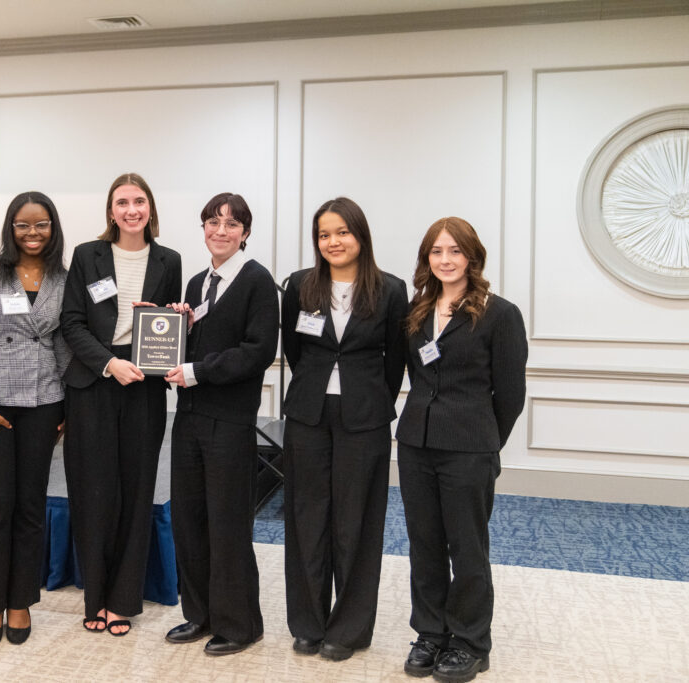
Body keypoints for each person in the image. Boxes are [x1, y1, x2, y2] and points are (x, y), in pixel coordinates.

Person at [395, 217, 527, 682]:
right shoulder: (417, 309)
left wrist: (486, 445)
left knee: (467, 547)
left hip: (468, 450)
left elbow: (510, 396)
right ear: (426, 259)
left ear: (472, 257)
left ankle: (470, 641)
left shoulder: (500, 314)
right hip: (415, 444)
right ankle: (431, 633)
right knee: (424, 545)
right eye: (436, 251)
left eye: (454, 251)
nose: (445, 260)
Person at [280, 197, 408, 661]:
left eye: (342, 232)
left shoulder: (390, 290)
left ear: (360, 236)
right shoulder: (298, 286)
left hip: (364, 417)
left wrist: (368, 397)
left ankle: (348, 629)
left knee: (356, 523)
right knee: (306, 519)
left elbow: (396, 361)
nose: (333, 242)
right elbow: (294, 349)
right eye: (323, 234)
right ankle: (308, 624)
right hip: (308, 415)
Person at [60, 172, 181, 637]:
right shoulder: (86, 256)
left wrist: (177, 320)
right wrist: (110, 364)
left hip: (145, 388)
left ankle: (122, 600)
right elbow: (72, 323)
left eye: (139, 201)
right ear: (110, 211)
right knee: (93, 495)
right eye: (122, 202)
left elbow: (168, 329)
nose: (132, 210)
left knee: (136, 492)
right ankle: (94, 597)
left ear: (151, 208)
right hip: (93, 385)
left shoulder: (169, 260)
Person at [164, 193, 278, 656]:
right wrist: (176, 332)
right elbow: (191, 349)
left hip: (229, 421)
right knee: (189, 520)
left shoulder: (257, 282)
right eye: (213, 222)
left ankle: (240, 624)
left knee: (228, 524)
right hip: (189, 418)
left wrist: (196, 371)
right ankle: (200, 614)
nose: (221, 230)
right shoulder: (196, 283)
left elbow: (256, 352)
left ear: (245, 232)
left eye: (232, 224)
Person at [0, 192, 70, 647]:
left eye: (41, 225)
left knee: (30, 504)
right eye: (23, 225)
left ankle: (21, 599)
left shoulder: (64, 277)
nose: (32, 233)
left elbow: (66, 341)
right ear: (11, 228)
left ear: (53, 227)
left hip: (45, 401)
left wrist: (66, 406)